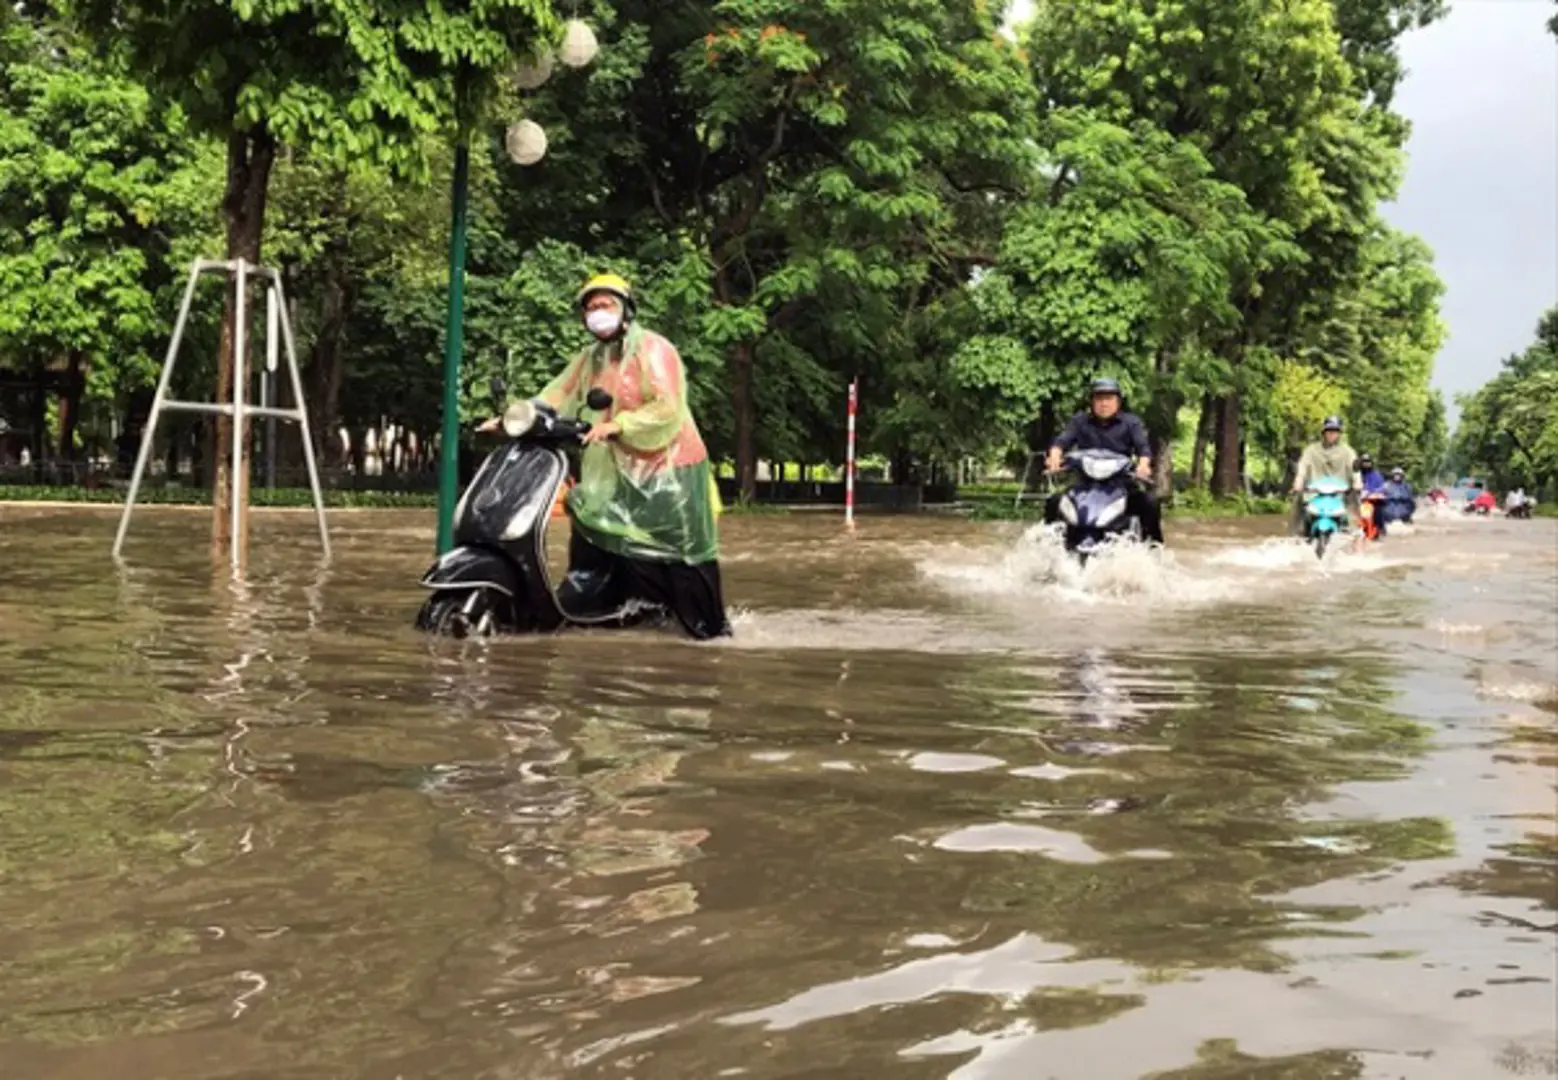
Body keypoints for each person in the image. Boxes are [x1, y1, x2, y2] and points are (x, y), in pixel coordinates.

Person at [482, 273, 730, 639]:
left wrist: (619, 425)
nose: (598, 314)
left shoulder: (654, 349)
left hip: (669, 472)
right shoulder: (590, 359)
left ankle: (703, 633)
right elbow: (558, 393)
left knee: (680, 559)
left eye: (605, 305)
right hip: (617, 469)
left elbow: (667, 406)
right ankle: (597, 613)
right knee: (595, 535)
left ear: (625, 309)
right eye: (591, 308)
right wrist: (516, 417)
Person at [1043, 377, 1164, 544]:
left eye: (1109, 398)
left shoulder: (1131, 423)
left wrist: (1143, 465)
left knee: (1150, 502)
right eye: (1099, 398)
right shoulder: (1079, 421)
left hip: (1121, 484)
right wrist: (1054, 456)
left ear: (1118, 401)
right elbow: (1062, 441)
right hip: (1085, 484)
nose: (1104, 403)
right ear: (1092, 402)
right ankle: (1050, 545)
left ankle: (1152, 548)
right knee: (1054, 501)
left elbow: (1143, 448)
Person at [1290, 415, 1359, 536]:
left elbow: (1355, 468)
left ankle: (1356, 537)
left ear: (1339, 433)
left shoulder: (1348, 451)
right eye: (1329, 431)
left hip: (1341, 495)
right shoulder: (1311, 450)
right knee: (1297, 501)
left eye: (1335, 431)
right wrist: (1299, 480)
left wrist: (1357, 481)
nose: (1332, 434)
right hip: (1314, 494)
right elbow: (1303, 465)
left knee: (1355, 508)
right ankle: (1296, 535)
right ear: (1324, 432)